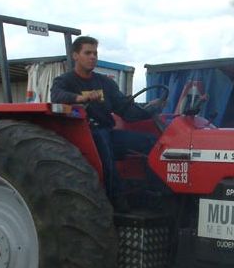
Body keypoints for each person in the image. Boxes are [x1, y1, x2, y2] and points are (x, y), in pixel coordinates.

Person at [51, 35, 162, 206]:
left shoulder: (104, 83)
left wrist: (150, 109)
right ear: (75, 56)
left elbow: (125, 108)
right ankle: (114, 202)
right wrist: (80, 98)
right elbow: (57, 96)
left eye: (95, 53)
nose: (93, 57)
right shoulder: (65, 81)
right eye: (88, 53)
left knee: (154, 143)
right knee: (105, 151)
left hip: (108, 132)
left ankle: (154, 194)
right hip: (84, 133)